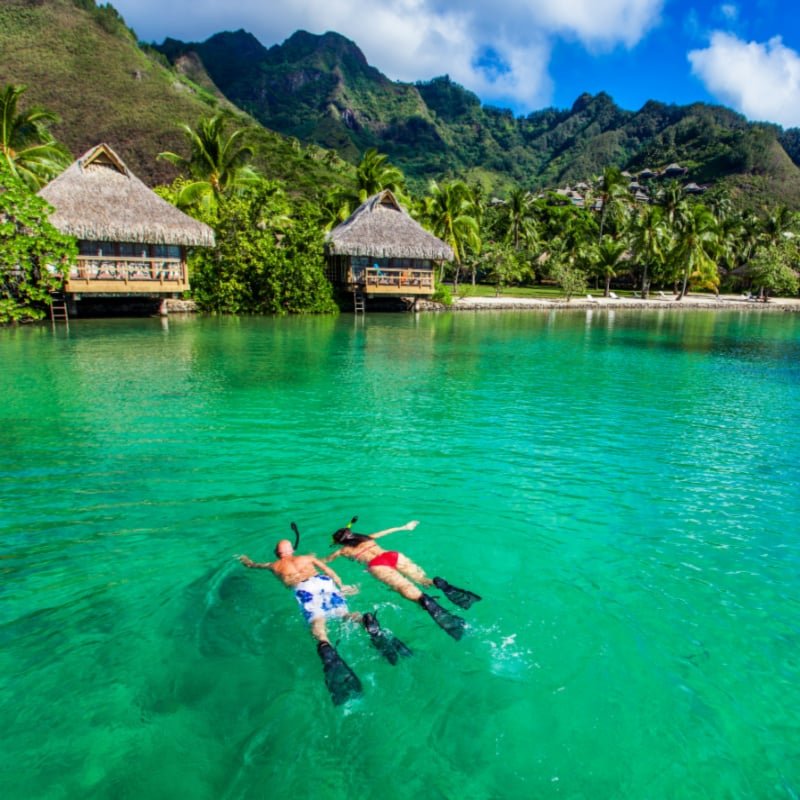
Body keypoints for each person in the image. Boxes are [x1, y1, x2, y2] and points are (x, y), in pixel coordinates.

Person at [237, 539, 409, 704]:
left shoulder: (274, 565)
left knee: (317, 622)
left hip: (303, 588)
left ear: (277, 553)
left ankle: (325, 645)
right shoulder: (307, 558)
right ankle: (364, 621)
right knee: (344, 613)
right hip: (323, 582)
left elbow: (253, 565)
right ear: (292, 550)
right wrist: (341, 585)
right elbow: (328, 570)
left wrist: (246, 560)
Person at [327, 520, 481, 640]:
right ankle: (436, 583)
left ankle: (425, 601)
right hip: (392, 556)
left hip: (377, 565)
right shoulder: (368, 538)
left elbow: (326, 561)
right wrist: (405, 527)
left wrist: (328, 553)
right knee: (422, 580)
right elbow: (388, 531)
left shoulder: (344, 550)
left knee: (405, 587)